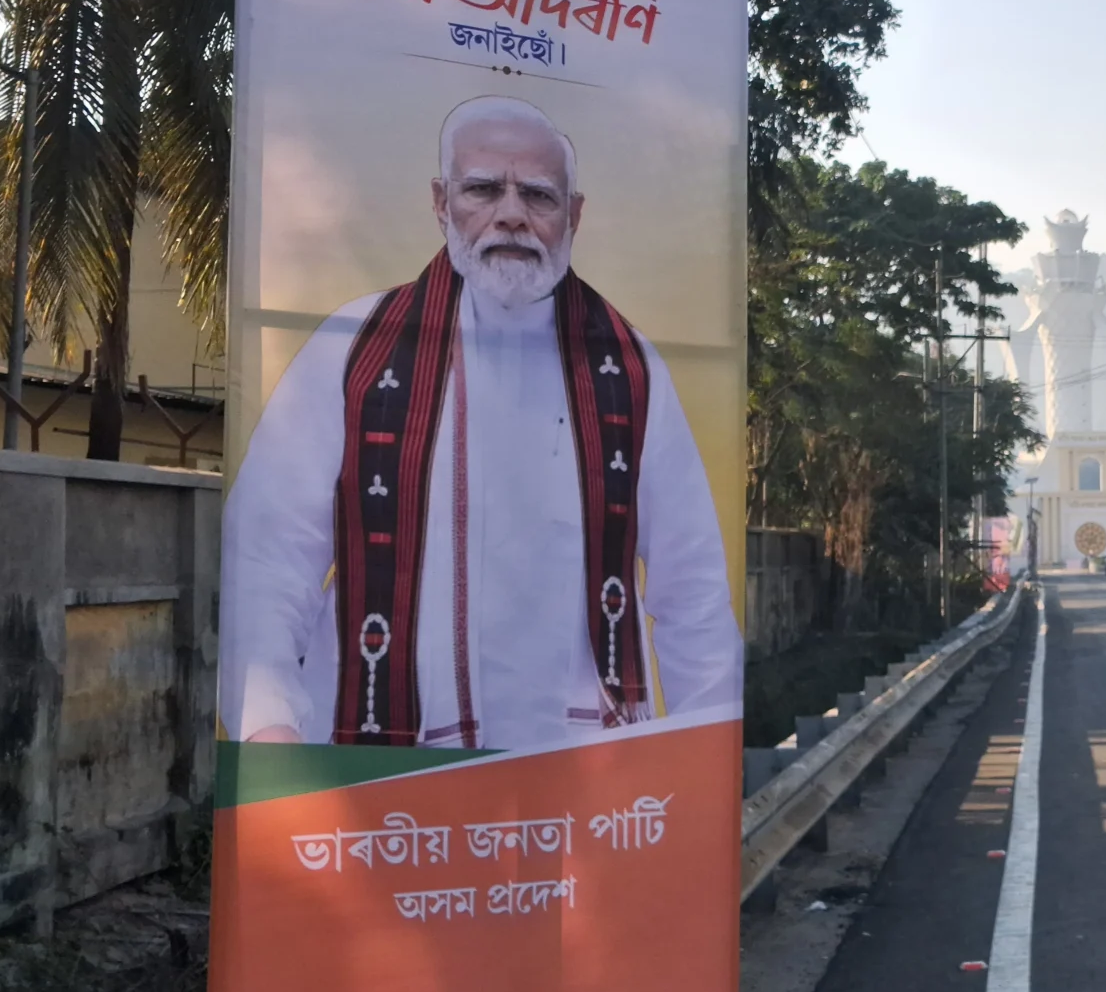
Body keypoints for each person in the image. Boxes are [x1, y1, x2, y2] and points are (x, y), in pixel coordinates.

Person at [221, 95, 742, 752]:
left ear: (574, 215)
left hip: (586, 786)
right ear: (442, 203)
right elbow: (268, 558)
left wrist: (708, 760)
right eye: (484, 189)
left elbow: (691, 591)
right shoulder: (355, 349)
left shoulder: (628, 368)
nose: (512, 215)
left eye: (539, 196)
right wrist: (268, 725)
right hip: (382, 789)